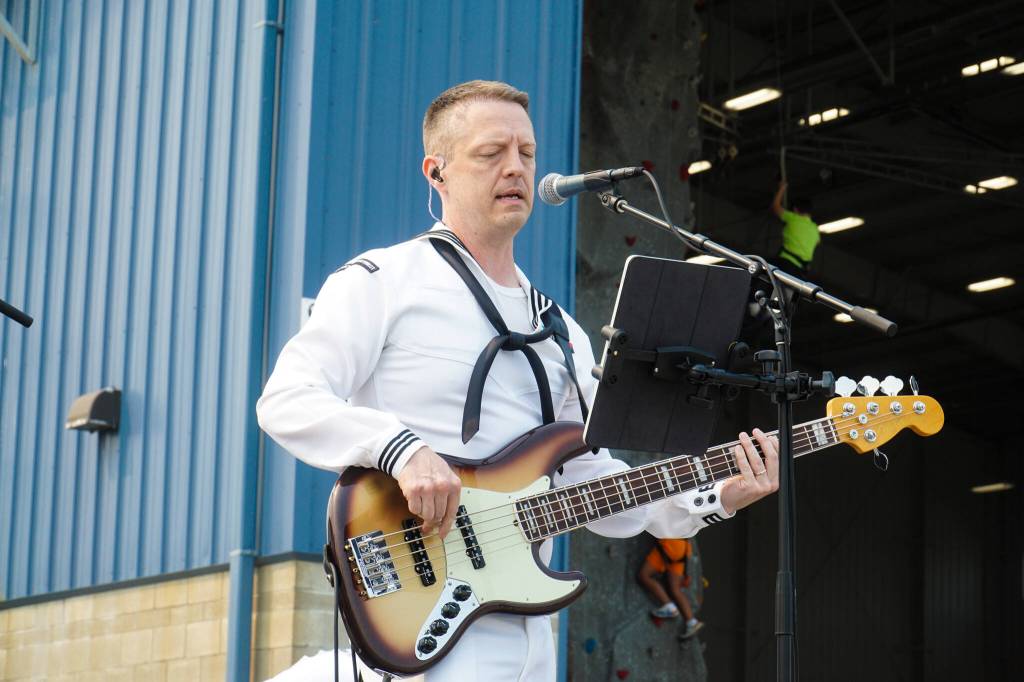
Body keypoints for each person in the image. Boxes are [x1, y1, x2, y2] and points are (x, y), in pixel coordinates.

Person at [256, 80, 780, 682]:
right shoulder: (382, 281)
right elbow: (287, 400)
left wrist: (712, 496)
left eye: (527, 154)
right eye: (491, 153)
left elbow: (592, 482)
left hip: (525, 632)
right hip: (419, 614)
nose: (516, 168)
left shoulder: (561, 330)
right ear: (437, 172)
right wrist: (400, 449)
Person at [637, 538, 703, 639]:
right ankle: (692, 622)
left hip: (669, 544)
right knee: (675, 589)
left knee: (644, 575)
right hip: (683, 548)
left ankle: (668, 606)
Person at [770, 180, 819, 276]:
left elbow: (775, 207)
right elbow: (817, 242)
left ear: (795, 209)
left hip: (785, 263)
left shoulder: (793, 218)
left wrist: (782, 188)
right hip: (800, 271)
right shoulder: (815, 229)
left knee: (761, 268)